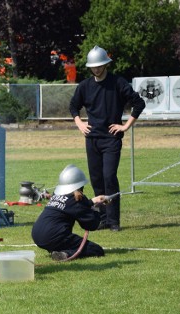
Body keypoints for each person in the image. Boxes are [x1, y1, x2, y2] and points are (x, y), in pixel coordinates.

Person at [69, 46, 145, 231]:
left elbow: (139, 103)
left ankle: (114, 221)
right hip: (92, 139)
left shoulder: (118, 83)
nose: (96, 69)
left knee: (109, 177)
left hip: (111, 139)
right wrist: (79, 123)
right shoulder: (85, 86)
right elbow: (73, 106)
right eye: (93, 66)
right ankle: (102, 218)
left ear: (106, 64)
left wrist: (126, 125)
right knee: (96, 179)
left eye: (99, 65)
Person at [31, 164, 107, 261]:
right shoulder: (77, 200)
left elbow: (72, 206)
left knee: (65, 242)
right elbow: (92, 224)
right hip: (53, 236)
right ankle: (65, 254)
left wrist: (92, 201)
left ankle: (56, 250)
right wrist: (96, 208)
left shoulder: (57, 194)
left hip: (37, 235)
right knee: (96, 250)